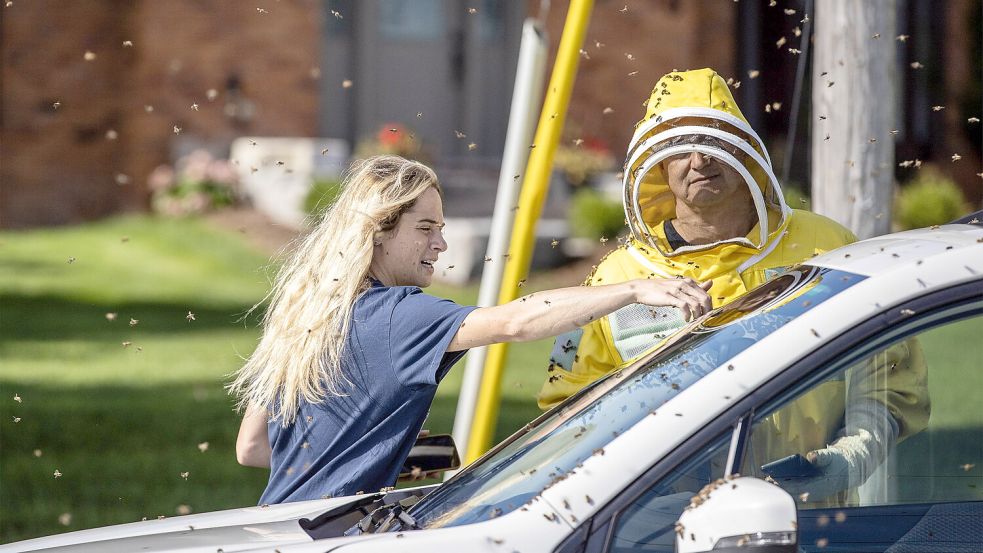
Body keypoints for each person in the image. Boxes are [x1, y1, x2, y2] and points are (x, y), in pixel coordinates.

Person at [536, 68, 928, 505]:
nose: (700, 160)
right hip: (661, 527)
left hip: (813, 522)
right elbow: (568, 414)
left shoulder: (827, 245)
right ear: (657, 165)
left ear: (746, 152)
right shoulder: (615, 279)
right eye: (680, 148)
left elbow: (891, 374)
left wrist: (852, 455)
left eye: (716, 139)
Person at [229, 154, 713, 504]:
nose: (440, 244)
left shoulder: (310, 315)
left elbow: (252, 447)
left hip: (282, 528)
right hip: (340, 532)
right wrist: (632, 290)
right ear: (378, 230)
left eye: (441, 227)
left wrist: (393, 452)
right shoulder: (399, 315)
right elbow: (516, 320)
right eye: (425, 228)